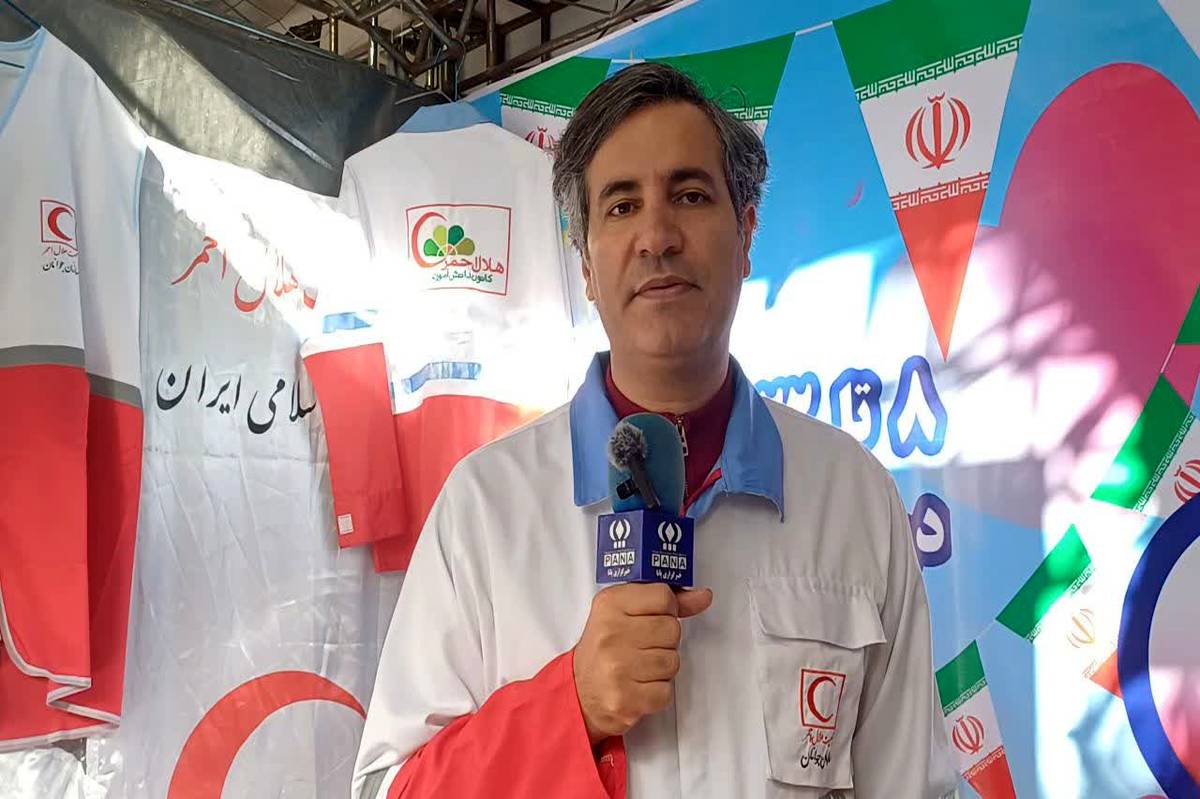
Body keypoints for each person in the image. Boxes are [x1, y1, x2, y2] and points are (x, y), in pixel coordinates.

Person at [351, 63, 958, 799]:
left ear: (746, 233)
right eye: (621, 206)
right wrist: (569, 705)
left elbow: (910, 784)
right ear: (585, 263)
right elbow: (389, 787)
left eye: (690, 196)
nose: (657, 236)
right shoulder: (485, 508)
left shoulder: (852, 496)